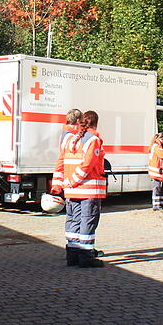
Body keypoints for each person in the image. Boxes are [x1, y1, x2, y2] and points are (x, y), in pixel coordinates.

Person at [60, 111, 106, 268]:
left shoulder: (71, 139)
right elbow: (87, 165)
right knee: (88, 221)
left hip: (72, 191)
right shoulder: (93, 140)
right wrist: (74, 181)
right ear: (95, 123)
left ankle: (72, 255)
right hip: (87, 189)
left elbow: (63, 162)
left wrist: (67, 183)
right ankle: (86, 257)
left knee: (73, 220)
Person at [50, 109, 82, 198]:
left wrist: (57, 185)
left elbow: (60, 161)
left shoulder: (65, 135)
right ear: (78, 121)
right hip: (72, 178)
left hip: (68, 178)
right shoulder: (71, 137)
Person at [148, 132, 163, 211]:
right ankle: (157, 205)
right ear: (161, 139)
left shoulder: (158, 146)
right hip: (157, 171)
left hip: (159, 171)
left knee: (162, 188)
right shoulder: (157, 146)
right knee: (157, 188)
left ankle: (162, 204)